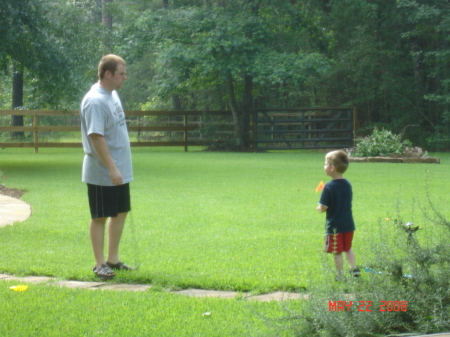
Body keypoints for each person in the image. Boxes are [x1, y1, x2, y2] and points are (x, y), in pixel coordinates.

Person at [80, 54, 134, 280]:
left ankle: (113, 259)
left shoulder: (112, 95)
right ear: (108, 74)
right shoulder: (96, 100)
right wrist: (112, 168)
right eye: (121, 74)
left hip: (120, 169)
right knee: (100, 216)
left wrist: (119, 168)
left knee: (120, 213)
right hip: (103, 171)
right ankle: (99, 263)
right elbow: (96, 137)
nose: (125, 78)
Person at [316, 150, 360, 280]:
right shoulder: (347, 184)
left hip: (334, 226)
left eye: (325, 164)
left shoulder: (329, 187)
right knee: (348, 248)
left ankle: (340, 275)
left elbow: (324, 207)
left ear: (332, 168)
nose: (324, 166)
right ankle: (354, 269)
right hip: (348, 224)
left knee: (337, 252)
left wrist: (319, 208)